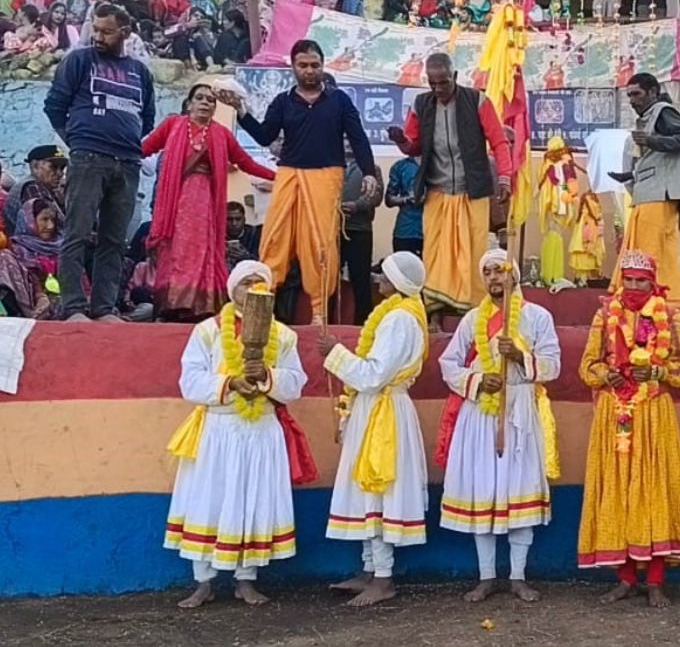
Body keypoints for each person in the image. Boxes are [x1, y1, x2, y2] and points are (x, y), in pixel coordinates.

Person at [164, 260, 308, 609]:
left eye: (260, 284)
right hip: (218, 428)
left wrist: (268, 377)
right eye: (246, 283)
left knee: (252, 500)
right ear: (233, 289)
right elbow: (190, 382)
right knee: (207, 500)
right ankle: (203, 582)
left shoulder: (284, 335)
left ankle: (247, 580)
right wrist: (231, 383)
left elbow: (296, 384)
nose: (253, 289)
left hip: (261, 430)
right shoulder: (208, 331)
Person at [219, 39, 378, 326]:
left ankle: (319, 312)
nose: (309, 71)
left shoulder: (339, 101)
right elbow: (266, 136)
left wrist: (368, 172)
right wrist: (241, 112)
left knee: (319, 243)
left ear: (323, 65)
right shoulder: (283, 101)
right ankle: (261, 301)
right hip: (289, 174)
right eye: (303, 65)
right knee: (274, 238)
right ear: (293, 67)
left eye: (315, 65)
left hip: (326, 176)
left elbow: (358, 138)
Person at [435, 249, 561, 604]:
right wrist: (477, 380)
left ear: (514, 274)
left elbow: (553, 365)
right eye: (487, 271)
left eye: (500, 270)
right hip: (480, 415)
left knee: (518, 489)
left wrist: (520, 356)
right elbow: (448, 364)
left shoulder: (537, 317)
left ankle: (518, 576)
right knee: (484, 492)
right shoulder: (472, 319)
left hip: (520, 411)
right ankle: (487, 576)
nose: (493, 277)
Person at [577, 249, 680, 609]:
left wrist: (658, 372)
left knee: (654, 489)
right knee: (618, 490)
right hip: (615, 413)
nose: (633, 286)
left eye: (640, 281)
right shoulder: (604, 315)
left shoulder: (670, 315)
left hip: (654, 412)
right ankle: (626, 578)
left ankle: (656, 580)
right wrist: (605, 375)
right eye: (627, 280)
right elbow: (587, 365)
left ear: (652, 282)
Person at [318, 252, 430, 607]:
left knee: (378, 488)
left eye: (382, 274)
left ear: (396, 281)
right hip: (376, 409)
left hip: (384, 412)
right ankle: (369, 570)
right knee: (367, 488)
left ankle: (383, 578)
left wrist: (335, 354)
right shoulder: (397, 314)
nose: (376, 279)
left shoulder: (400, 319)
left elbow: (373, 375)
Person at [44, 2, 155, 322]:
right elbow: (54, 107)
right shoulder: (78, 60)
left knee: (114, 239)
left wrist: (126, 142)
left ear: (125, 33)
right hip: (88, 158)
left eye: (107, 32)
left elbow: (146, 118)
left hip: (128, 162)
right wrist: (78, 142)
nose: (98, 36)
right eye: (95, 29)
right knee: (77, 233)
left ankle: (105, 307)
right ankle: (74, 307)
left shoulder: (140, 72)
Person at [388, 52, 512, 316]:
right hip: (437, 192)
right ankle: (434, 311)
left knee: (473, 250)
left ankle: (475, 311)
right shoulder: (421, 105)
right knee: (436, 254)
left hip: (473, 192)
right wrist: (401, 140)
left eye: (443, 82)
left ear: (454, 76)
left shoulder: (477, 100)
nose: (437, 89)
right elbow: (413, 146)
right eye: (432, 83)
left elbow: (499, 141)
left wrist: (504, 176)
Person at [140, 83, 275, 320]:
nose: (205, 102)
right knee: (176, 251)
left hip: (206, 205)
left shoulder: (221, 134)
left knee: (201, 252)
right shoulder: (172, 125)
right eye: (200, 98)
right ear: (189, 103)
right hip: (175, 205)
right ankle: (172, 305)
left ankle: (198, 306)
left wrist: (280, 176)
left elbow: (246, 163)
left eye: (210, 100)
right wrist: (116, 154)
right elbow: (143, 148)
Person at [607, 73, 680, 309]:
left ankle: (657, 303)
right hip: (649, 196)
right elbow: (658, 162)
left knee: (652, 253)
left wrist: (652, 140)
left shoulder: (663, 111)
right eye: (629, 96)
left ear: (653, 91)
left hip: (659, 197)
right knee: (647, 250)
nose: (633, 101)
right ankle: (643, 301)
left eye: (637, 94)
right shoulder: (648, 117)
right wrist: (630, 176)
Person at [339, 140, 382, 325]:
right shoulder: (332, 166)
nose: (348, 143)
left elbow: (377, 196)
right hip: (333, 232)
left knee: (361, 281)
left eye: (352, 140)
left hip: (360, 231)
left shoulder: (372, 168)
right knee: (329, 282)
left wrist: (357, 206)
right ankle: (328, 323)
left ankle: (363, 326)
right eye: (344, 139)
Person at [0, 198, 63, 318]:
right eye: (44, 219)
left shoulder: (62, 245)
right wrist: (40, 297)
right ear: (29, 221)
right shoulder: (18, 249)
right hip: (32, 303)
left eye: (53, 220)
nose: (50, 226)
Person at [2, 144, 65, 235]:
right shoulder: (32, 187)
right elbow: (55, 229)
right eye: (54, 167)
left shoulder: (36, 186)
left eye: (62, 168)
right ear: (35, 167)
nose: (60, 173)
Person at [385, 154, 422, 256]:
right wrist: (406, 199)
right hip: (405, 230)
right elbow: (389, 200)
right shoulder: (400, 166)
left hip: (432, 230)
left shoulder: (438, 165)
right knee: (403, 270)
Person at [225, 201, 259, 269]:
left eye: (238, 219)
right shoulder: (216, 236)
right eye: (229, 219)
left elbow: (264, 261)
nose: (234, 223)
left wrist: (247, 257)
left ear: (244, 220)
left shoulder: (255, 234)